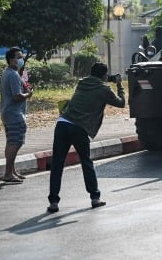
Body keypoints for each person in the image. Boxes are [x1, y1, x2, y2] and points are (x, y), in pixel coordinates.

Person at [47, 62, 125, 213]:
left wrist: (108, 78)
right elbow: (121, 103)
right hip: (79, 128)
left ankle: (53, 202)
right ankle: (95, 198)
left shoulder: (82, 83)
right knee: (86, 161)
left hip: (62, 124)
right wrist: (119, 85)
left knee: (57, 163)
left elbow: (96, 79)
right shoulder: (104, 89)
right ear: (104, 75)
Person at [0, 47, 33, 183]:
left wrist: (25, 87)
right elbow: (17, 96)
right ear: (11, 60)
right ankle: (8, 174)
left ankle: (11, 171)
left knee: (11, 142)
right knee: (16, 142)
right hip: (14, 114)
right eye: (19, 57)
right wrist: (28, 94)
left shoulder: (10, 73)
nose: (21, 59)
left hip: (7, 113)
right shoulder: (13, 75)